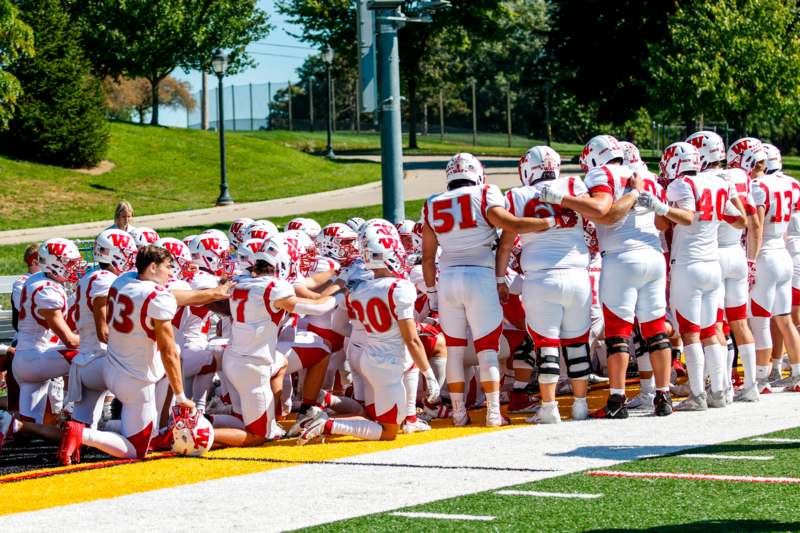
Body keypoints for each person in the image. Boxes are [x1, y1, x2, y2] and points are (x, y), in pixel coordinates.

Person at [422, 153, 555, 427]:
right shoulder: (485, 192)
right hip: (479, 275)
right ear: (478, 173)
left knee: (455, 351)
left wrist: (433, 293)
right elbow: (511, 224)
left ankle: (459, 413)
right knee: (487, 349)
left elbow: (427, 257)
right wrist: (548, 222)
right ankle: (494, 412)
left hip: (447, 279)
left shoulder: (432, 203)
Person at [296, 225, 439, 444]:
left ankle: (323, 420)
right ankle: (326, 424)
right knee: (389, 431)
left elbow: (339, 318)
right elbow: (411, 339)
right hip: (388, 362)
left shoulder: (359, 290)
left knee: (374, 418)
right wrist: (428, 375)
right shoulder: (399, 287)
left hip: (368, 358)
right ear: (389, 254)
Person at [58, 246, 194, 464]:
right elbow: (168, 351)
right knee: (136, 451)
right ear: (152, 267)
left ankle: (152, 430)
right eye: (168, 267)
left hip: (111, 366)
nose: (171, 272)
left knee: (141, 429)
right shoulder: (157, 296)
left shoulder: (122, 281)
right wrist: (181, 397)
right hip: (136, 379)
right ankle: (83, 434)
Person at [499, 146, 592, 424]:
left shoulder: (516, 195)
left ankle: (550, 408)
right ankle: (580, 405)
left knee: (546, 344)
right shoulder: (574, 184)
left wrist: (498, 278)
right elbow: (596, 211)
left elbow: (505, 245)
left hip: (540, 277)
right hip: (577, 273)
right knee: (577, 344)